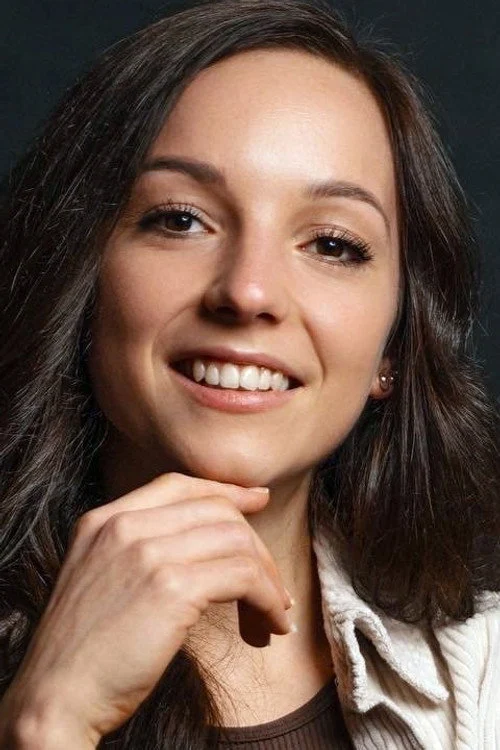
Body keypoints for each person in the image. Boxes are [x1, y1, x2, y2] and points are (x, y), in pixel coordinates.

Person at [0, 0, 499, 747]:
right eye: (180, 219)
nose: (248, 291)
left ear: (393, 349)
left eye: (332, 244)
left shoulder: (487, 686)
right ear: (81, 278)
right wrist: (48, 720)